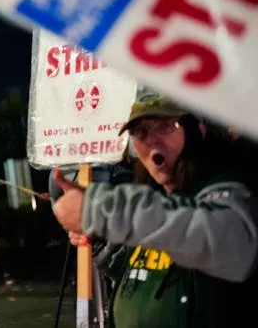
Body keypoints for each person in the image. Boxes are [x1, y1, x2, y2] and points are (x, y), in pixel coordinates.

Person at [52, 91, 258, 327]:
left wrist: (104, 211)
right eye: (139, 131)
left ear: (196, 130)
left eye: (165, 126)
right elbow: (143, 272)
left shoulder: (232, 188)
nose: (151, 140)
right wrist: (100, 241)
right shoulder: (155, 199)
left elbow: (223, 239)